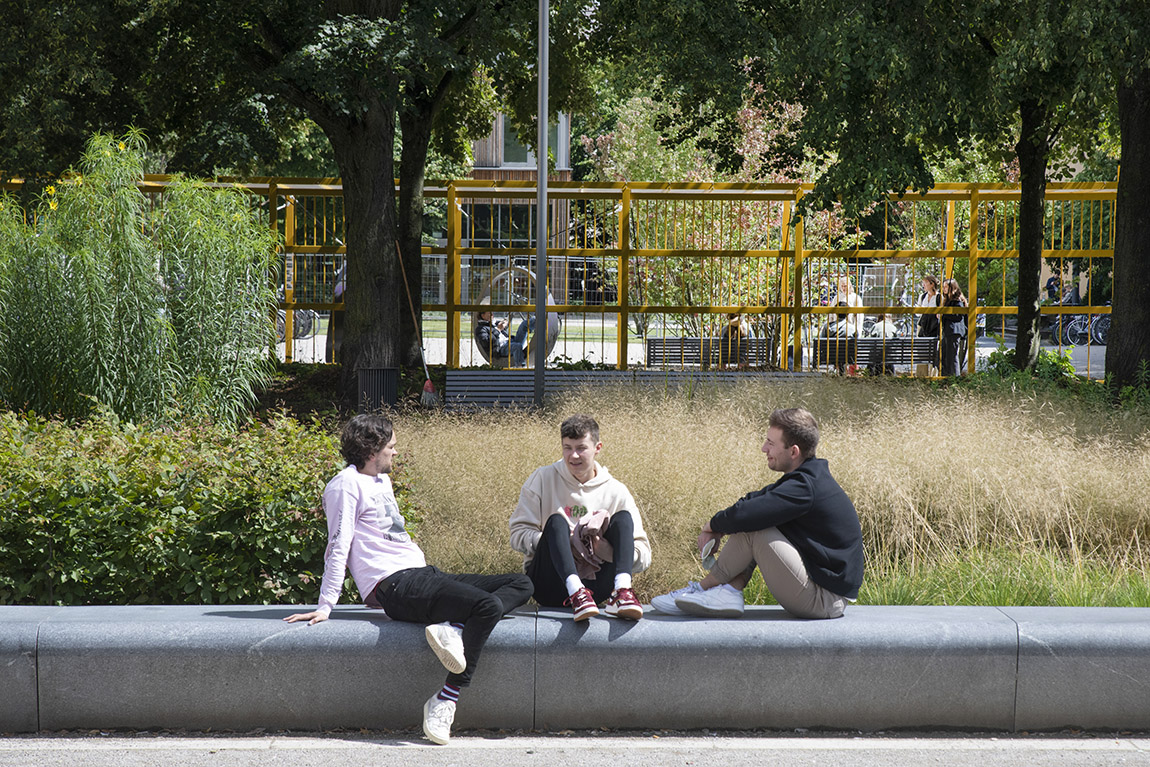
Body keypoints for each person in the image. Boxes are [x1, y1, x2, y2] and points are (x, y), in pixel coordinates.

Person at [285, 415, 533, 746]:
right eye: (391, 447)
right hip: (396, 585)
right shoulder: (344, 485)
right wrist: (325, 605)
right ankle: (446, 698)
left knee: (522, 583)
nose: (395, 453)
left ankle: (457, 629)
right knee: (486, 606)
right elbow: (339, 542)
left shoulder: (380, 482)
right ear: (372, 450)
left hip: (421, 575)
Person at [650, 408, 864, 620]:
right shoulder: (805, 479)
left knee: (756, 528)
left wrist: (712, 527)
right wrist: (715, 526)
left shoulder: (805, 488)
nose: (764, 449)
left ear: (793, 452)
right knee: (757, 520)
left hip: (823, 600)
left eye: (771, 443)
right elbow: (754, 500)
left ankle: (702, 589)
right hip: (822, 593)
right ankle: (729, 591)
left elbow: (747, 514)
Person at [510, 413, 652, 621]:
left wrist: (609, 552)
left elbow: (644, 554)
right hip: (550, 584)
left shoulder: (616, 491)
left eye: (581, 448)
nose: (573, 456)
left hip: (597, 587)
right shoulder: (542, 478)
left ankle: (622, 592)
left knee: (622, 518)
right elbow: (517, 535)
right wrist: (558, 543)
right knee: (557, 522)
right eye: (567, 448)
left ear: (598, 448)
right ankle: (576, 591)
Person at [939, 278, 968, 376]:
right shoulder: (950, 300)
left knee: (952, 356)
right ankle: (948, 375)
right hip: (950, 331)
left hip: (954, 331)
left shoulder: (957, 300)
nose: (944, 289)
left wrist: (943, 313)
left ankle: (954, 376)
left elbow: (957, 316)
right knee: (947, 355)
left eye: (946, 287)